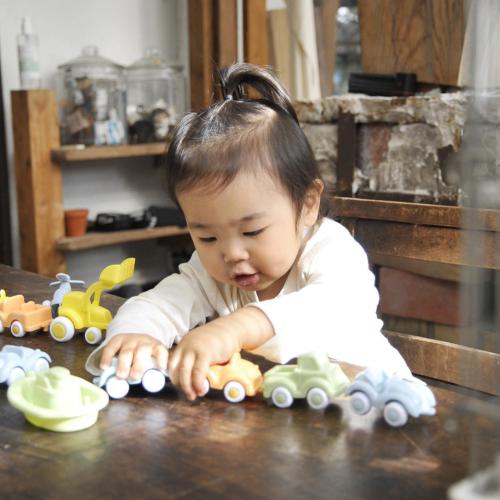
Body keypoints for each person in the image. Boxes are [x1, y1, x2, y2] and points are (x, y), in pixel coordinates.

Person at [86, 63, 411, 400]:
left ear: (307, 204)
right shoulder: (211, 275)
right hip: (294, 418)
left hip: (378, 404)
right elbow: (160, 303)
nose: (231, 253)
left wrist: (235, 329)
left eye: (252, 231)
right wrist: (137, 334)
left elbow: (325, 309)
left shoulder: (332, 250)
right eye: (208, 237)